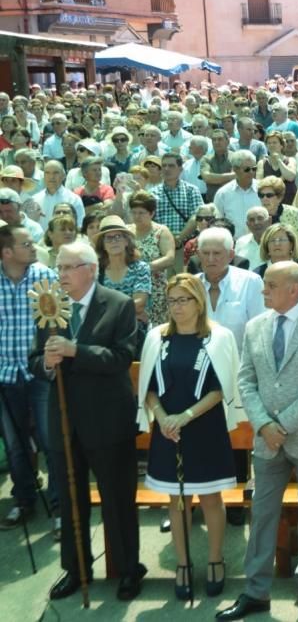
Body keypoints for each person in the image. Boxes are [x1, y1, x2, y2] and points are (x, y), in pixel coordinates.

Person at [216, 262, 298, 620]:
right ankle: (256, 591)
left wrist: (281, 424)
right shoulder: (256, 326)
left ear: (294, 290)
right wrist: (262, 424)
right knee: (262, 514)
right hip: (266, 442)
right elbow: (246, 380)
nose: (263, 290)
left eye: (270, 284)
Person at [29, 241, 145, 601]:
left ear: (90, 269)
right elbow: (35, 360)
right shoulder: (49, 307)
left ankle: (128, 568)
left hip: (108, 420)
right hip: (63, 420)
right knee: (70, 496)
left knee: (117, 497)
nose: (59, 274)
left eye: (67, 267)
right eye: (58, 267)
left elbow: (122, 357)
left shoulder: (118, 304)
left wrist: (76, 351)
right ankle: (76, 568)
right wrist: (46, 363)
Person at [137, 275, 241, 600]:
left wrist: (187, 415)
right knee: (177, 501)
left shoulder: (219, 337)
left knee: (211, 498)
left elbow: (222, 387)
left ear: (199, 303)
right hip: (168, 431)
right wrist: (164, 417)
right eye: (172, 301)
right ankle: (183, 563)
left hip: (204, 428)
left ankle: (215, 559)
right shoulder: (157, 337)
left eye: (185, 300)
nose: (178, 307)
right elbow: (149, 387)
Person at [0, 226, 60, 535]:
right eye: (26, 244)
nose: (34, 246)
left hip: (40, 373)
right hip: (5, 377)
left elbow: (57, 324)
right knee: (15, 444)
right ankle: (24, 499)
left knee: (51, 442)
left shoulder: (44, 276)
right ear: (7, 252)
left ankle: (61, 507)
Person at [94, 215, 152, 343]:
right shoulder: (96, 271)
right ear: (102, 244)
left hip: (134, 334)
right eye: (108, 238)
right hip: (104, 336)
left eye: (118, 236)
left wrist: (107, 312)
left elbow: (139, 304)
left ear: (127, 241)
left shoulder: (140, 268)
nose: (114, 241)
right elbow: (93, 306)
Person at [128, 190, 176, 327]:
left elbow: (169, 258)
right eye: (134, 212)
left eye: (141, 213)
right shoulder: (126, 232)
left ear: (152, 213)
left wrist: (143, 269)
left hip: (156, 292)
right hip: (131, 290)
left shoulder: (161, 231)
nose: (137, 216)